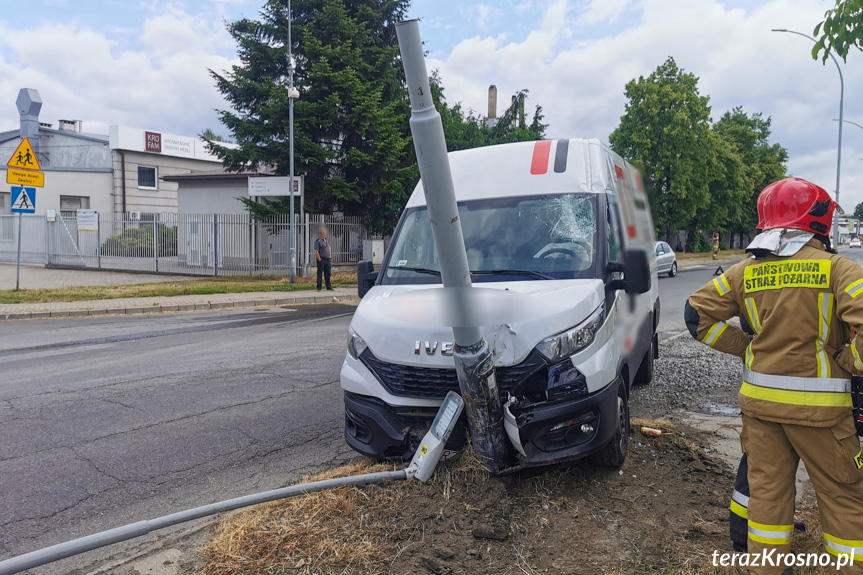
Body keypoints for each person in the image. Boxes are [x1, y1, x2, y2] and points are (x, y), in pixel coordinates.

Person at [686, 178, 863, 574]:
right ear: (819, 220)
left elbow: (695, 316)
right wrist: (850, 360)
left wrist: (746, 346)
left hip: (761, 410)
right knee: (844, 500)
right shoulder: (838, 269)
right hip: (823, 416)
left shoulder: (744, 272)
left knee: (766, 500)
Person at [314, 227, 333, 291]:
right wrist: (319, 259)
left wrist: (330, 255)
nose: (326, 234)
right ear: (322, 234)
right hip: (321, 259)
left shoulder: (326, 240)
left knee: (328, 273)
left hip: (327, 259)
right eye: (325, 233)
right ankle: (319, 287)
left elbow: (329, 248)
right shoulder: (318, 241)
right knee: (320, 274)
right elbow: (316, 251)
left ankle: (329, 287)